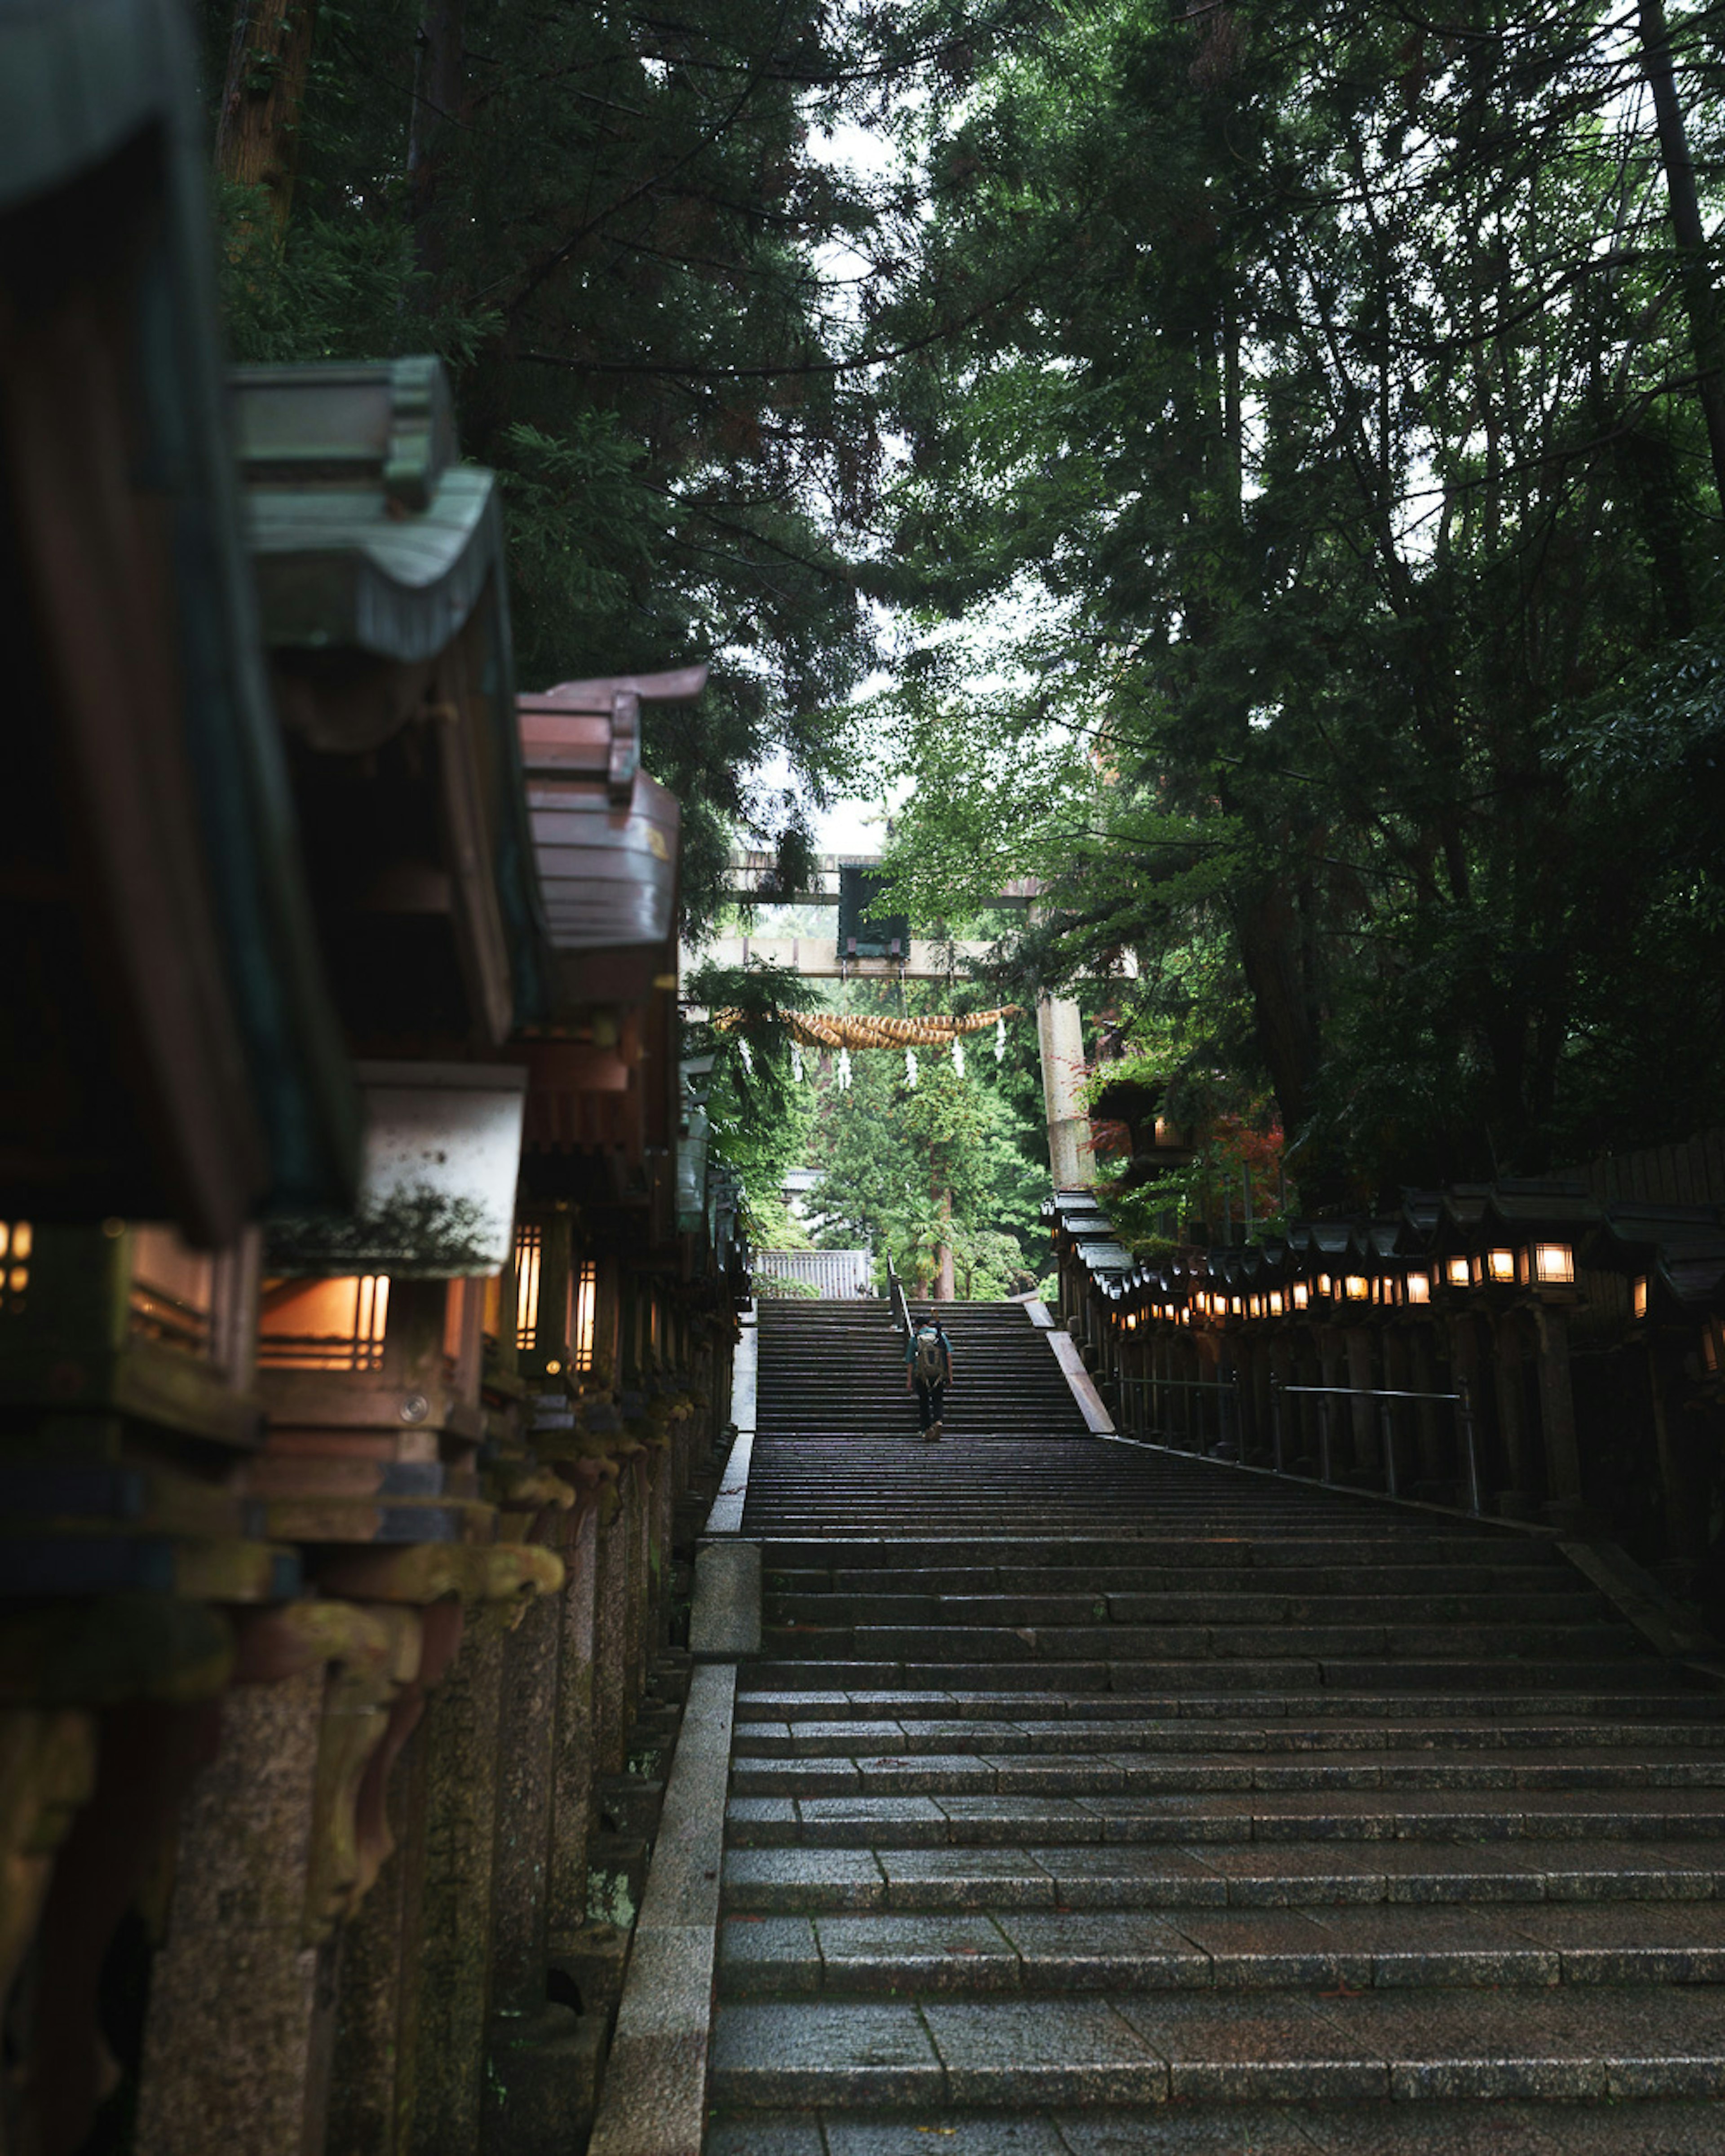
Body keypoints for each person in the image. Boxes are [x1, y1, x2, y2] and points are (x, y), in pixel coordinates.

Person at [904, 1309, 953, 1442]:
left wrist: (909, 1380)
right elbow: (948, 1355)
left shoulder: (915, 1338)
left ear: (917, 1326)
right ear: (929, 1324)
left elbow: (910, 1361)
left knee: (924, 1401)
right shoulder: (940, 1336)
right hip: (939, 1374)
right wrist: (950, 1375)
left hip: (921, 1375)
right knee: (938, 1400)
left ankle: (926, 1428)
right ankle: (938, 1421)